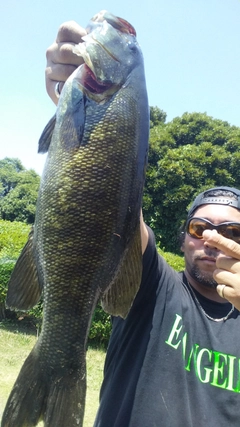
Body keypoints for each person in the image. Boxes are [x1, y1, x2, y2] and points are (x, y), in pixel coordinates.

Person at [45, 21, 240, 427]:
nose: (214, 240)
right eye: (199, 228)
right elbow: (107, 203)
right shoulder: (155, 289)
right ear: (182, 240)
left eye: (233, 233)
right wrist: (80, 111)